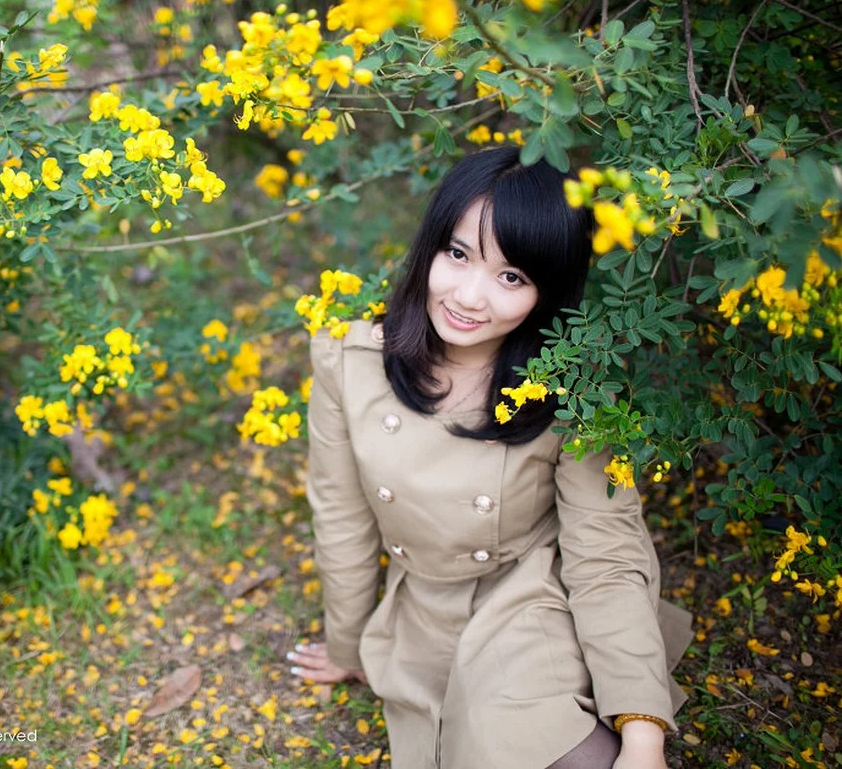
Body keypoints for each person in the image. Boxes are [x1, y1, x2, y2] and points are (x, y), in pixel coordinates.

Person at [286, 146, 694, 769]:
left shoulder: (574, 392)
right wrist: (346, 645)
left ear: (546, 291)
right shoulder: (352, 360)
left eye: (512, 278)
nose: (470, 296)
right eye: (458, 254)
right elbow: (341, 514)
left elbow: (607, 555)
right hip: (424, 604)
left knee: (526, 735)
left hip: (530, 593)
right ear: (430, 245)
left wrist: (643, 733)